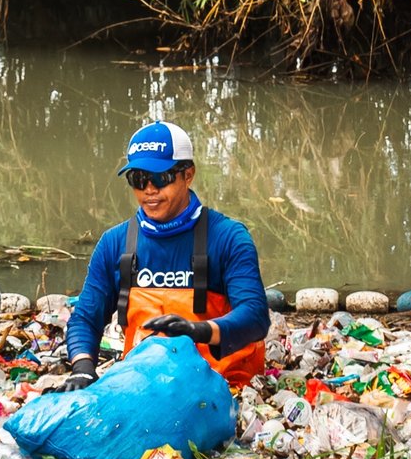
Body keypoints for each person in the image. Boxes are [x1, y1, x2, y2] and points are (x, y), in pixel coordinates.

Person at [62, 120, 270, 390]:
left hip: (224, 384)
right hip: (145, 384)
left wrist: (199, 331)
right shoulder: (115, 243)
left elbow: (255, 316)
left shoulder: (229, 237)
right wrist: (82, 368)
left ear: (188, 174)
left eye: (161, 178)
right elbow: (85, 318)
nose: (149, 189)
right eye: (138, 179)